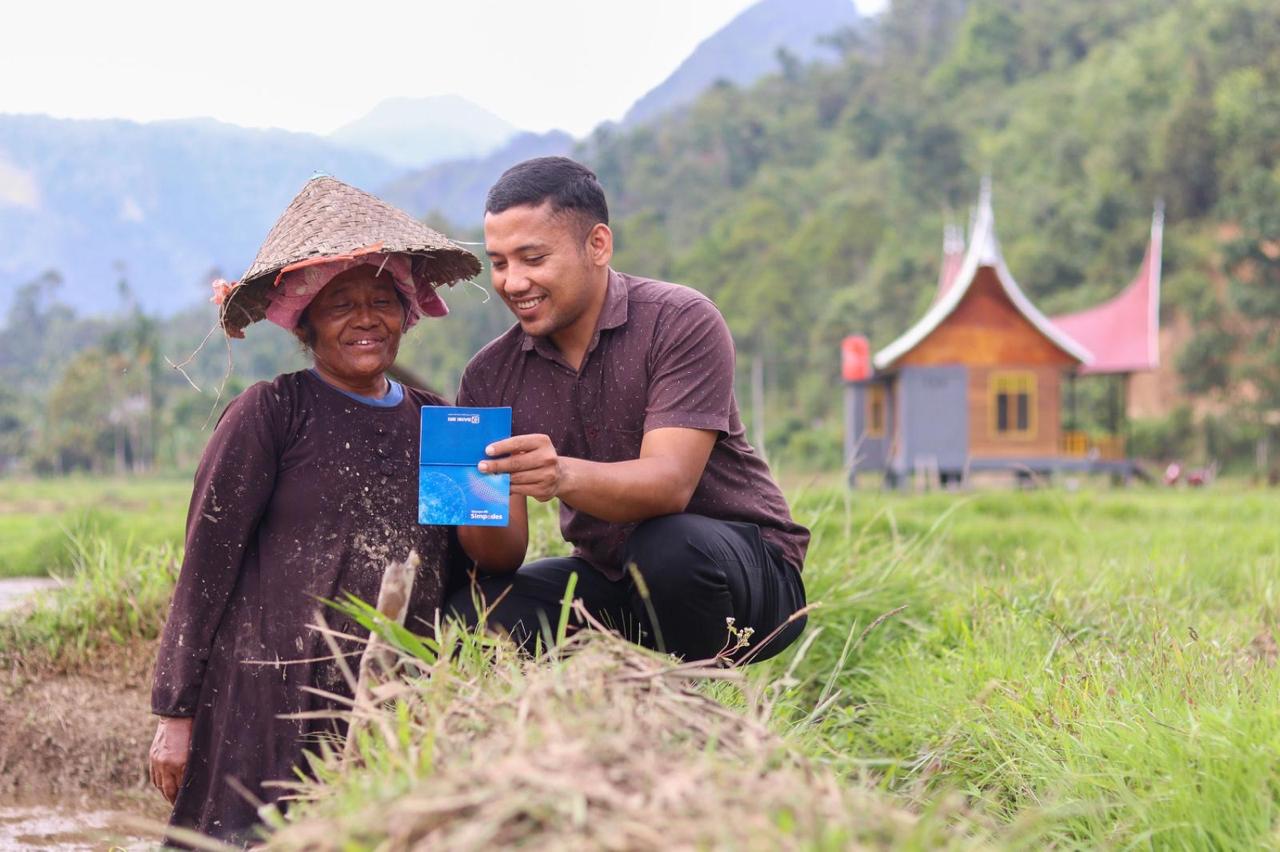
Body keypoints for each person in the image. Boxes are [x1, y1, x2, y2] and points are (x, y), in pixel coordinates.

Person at [148, 176, 480, 846]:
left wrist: (504, 483)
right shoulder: (270, 414)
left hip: (391, 702)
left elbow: (472, 568)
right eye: (340, 305)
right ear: (305, 322)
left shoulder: (446, 427)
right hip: (262, 708)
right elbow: (205, 570)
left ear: (408, 312)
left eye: (382, 301)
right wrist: (174, 714)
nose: (366, 319)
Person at [446, 157, 809, 663]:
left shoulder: (680, 321)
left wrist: (559, 475)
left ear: (598, 245)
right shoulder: (488, 375)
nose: (512, 282)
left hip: (743, 577)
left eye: (533, 258)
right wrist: (471, 489)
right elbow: (499, 556)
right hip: (612, 580)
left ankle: (695, 708)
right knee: (470, 615)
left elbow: (669, 485)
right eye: (500, 263)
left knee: (667, 546)